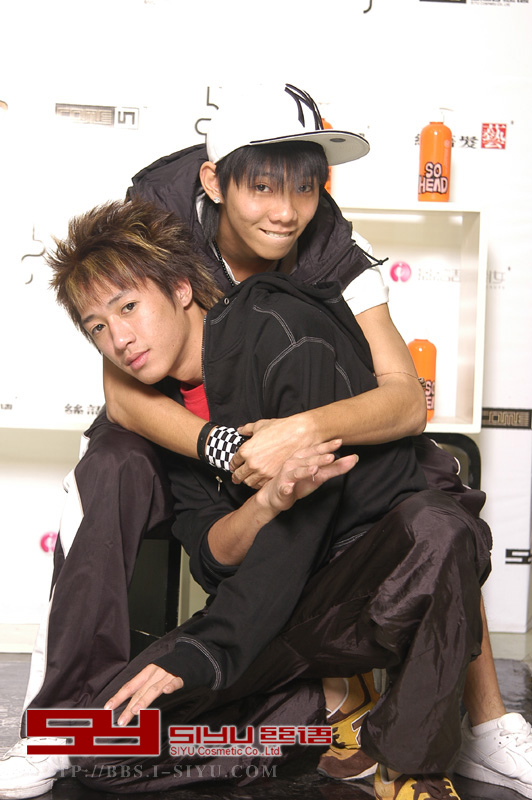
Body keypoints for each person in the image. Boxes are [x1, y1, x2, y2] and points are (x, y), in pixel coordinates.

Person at [0, 83, 529, 799]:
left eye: (303, 188)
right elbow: (123, 396)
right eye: (261, 187)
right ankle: (60, 726)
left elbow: (405, 399)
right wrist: (229, 455)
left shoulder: (323, 265)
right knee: (113, 468)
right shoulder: (155, 216)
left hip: (309, 514)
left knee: (433, 501)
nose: (284, 211)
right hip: (182, 436)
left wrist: (303, 432)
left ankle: (470, 726)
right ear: (215, 182)